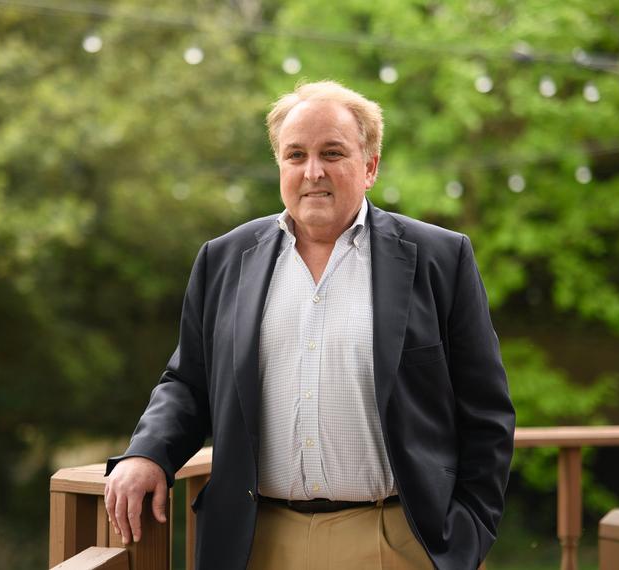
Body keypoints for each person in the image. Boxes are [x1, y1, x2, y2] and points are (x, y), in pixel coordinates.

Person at [104, 80, 515, 570]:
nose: (312, 171)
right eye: (295, 155)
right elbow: (189, 383)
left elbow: (486, 412)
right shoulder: (224, 259)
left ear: (370, 166)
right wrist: (145, 454)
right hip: (256, 544)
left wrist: (466, 535)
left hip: (397, 542)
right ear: (279, 165)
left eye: (333, 152)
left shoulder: (439, 259)